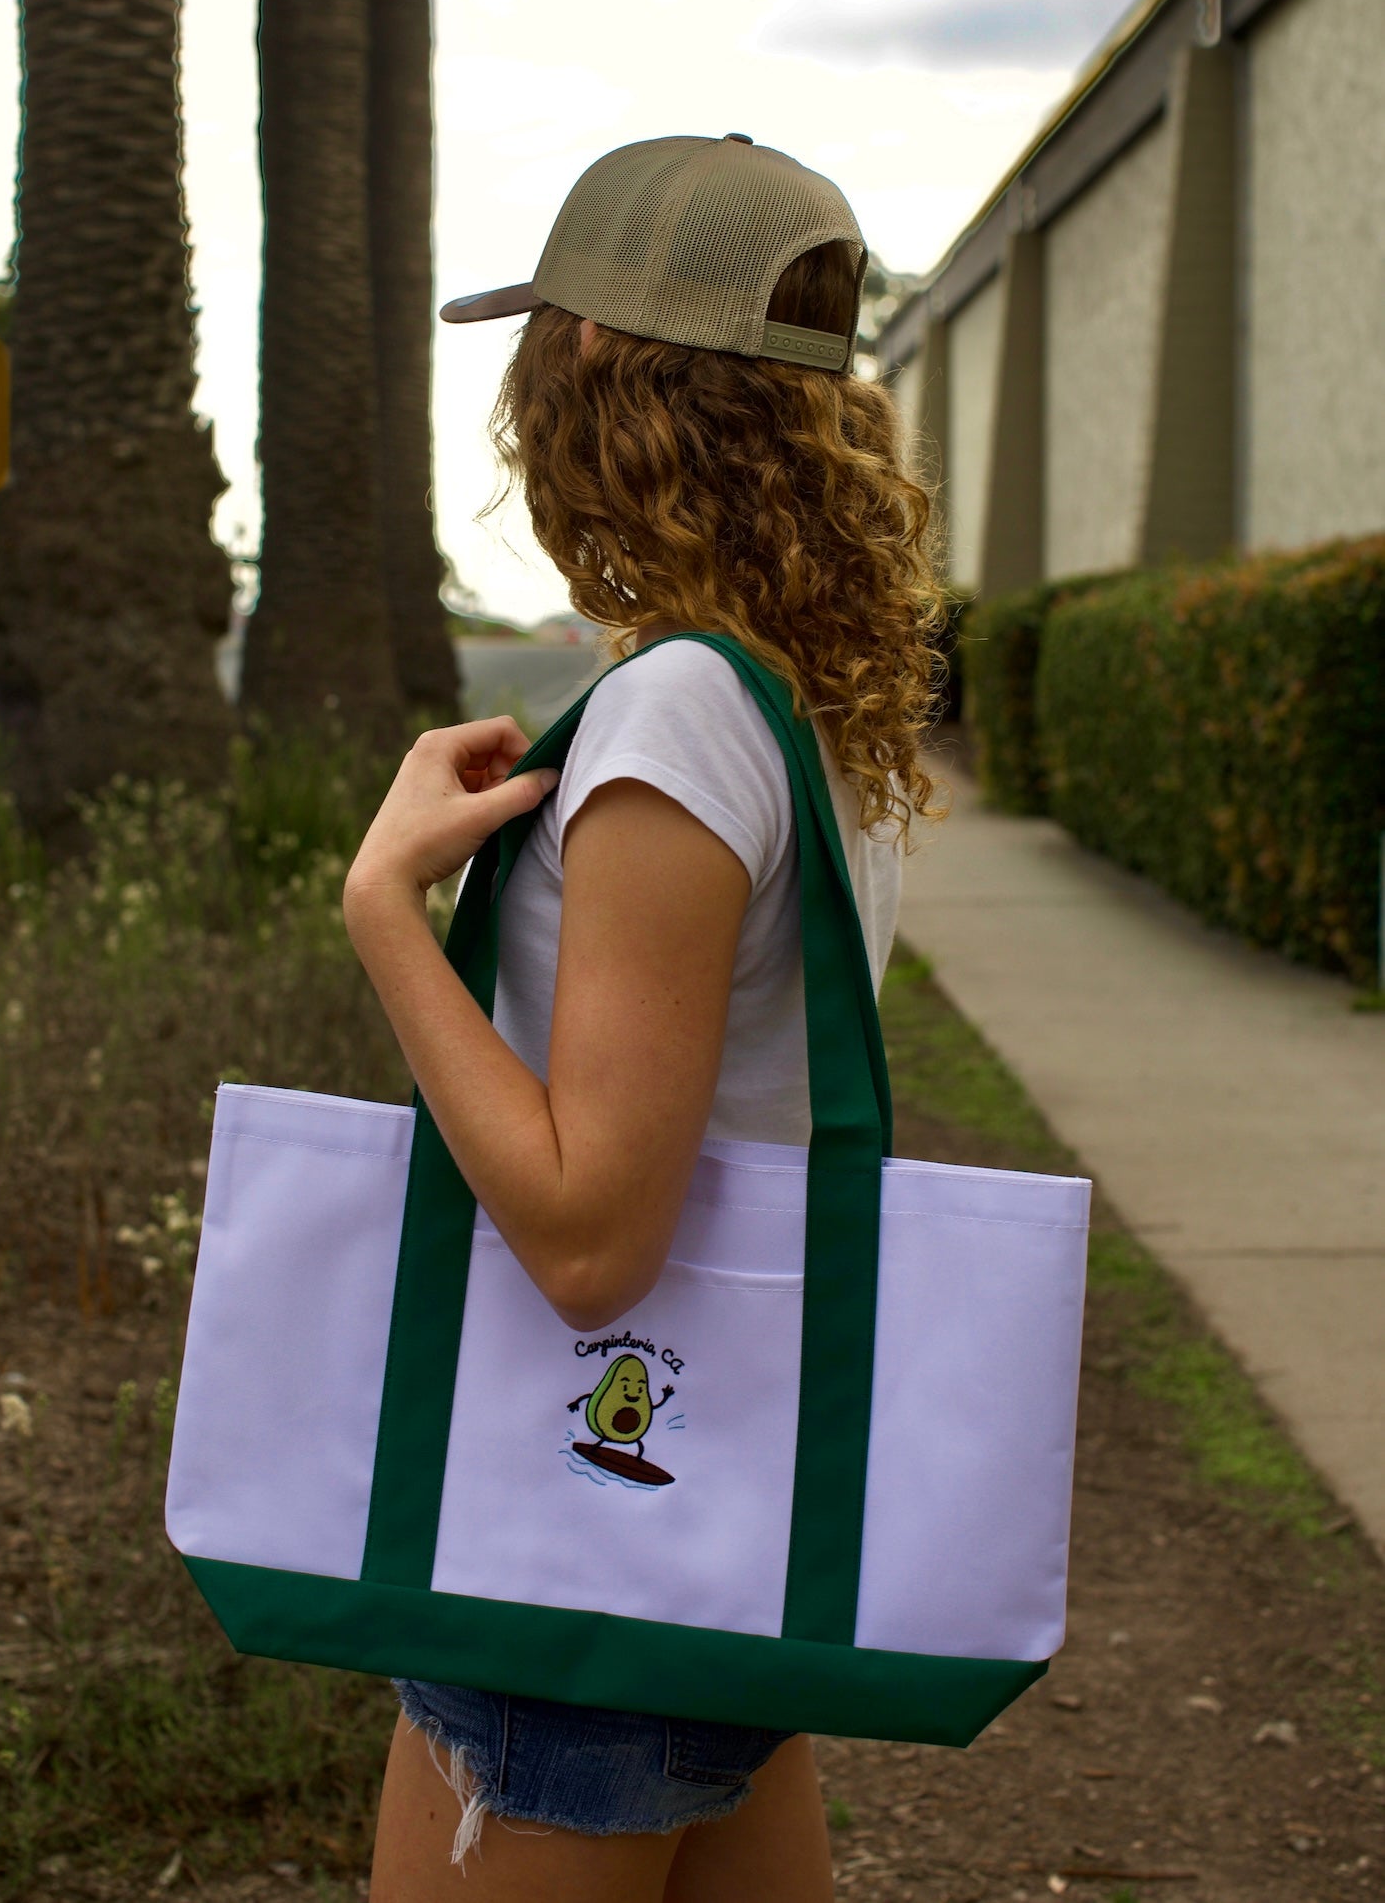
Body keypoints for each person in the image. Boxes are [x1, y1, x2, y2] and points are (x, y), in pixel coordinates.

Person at [342, 135, 942, 1902]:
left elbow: (595, 1234)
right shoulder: (796, 693)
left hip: (574, 1535)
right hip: (698, 1520)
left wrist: (385, 909)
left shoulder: (680, 711)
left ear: (595, 359)